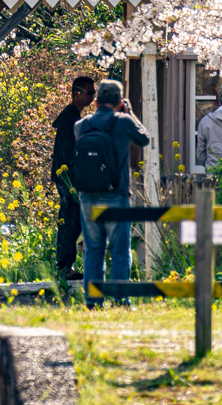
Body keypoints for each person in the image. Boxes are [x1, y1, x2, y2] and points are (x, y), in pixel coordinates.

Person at [72, 79, 149, 307]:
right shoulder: (123, 121)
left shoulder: (81, 125)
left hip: (87, 195)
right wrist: (130, 112)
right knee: (119, 249)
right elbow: (143, 138)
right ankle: (120, 299)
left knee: (93, 249)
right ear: (118, 101)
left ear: (95, 101)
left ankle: (93, 301)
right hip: (116, 193)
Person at [51, 75, 96, 279]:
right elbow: (69, 153)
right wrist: (74, 179)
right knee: (71, 221)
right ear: (77, 93)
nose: (93, 97)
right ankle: (64, 267)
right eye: (90, 93)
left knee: (70, 221)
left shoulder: (72, 116)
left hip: (67, 178)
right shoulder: (71, 118)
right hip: (68, 180)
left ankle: (64, 266)